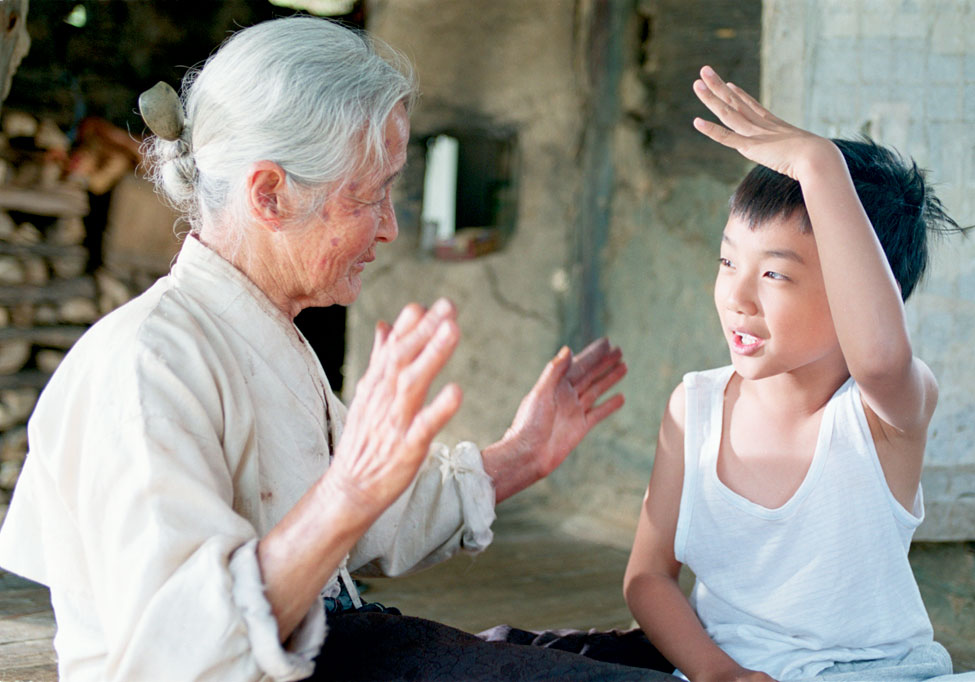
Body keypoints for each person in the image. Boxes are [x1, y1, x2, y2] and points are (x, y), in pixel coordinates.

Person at [0, 17, 675, 682]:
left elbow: (373, 518)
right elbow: (174, 658)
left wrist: (520, 455)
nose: (389, 227)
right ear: (269, 192)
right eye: (372, 195)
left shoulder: (257, 331)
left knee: (671, 654)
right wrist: (345, 492)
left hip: (342, 647)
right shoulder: (147, 365)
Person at [623, 65, 975, 682]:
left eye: (775, 274)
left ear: (854, 288)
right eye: (728, 259)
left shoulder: (881, 419)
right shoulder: (693, 406)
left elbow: (881, 356)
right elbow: (648, 577)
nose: (737, 296)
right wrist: (717, 672)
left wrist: (818, 163)